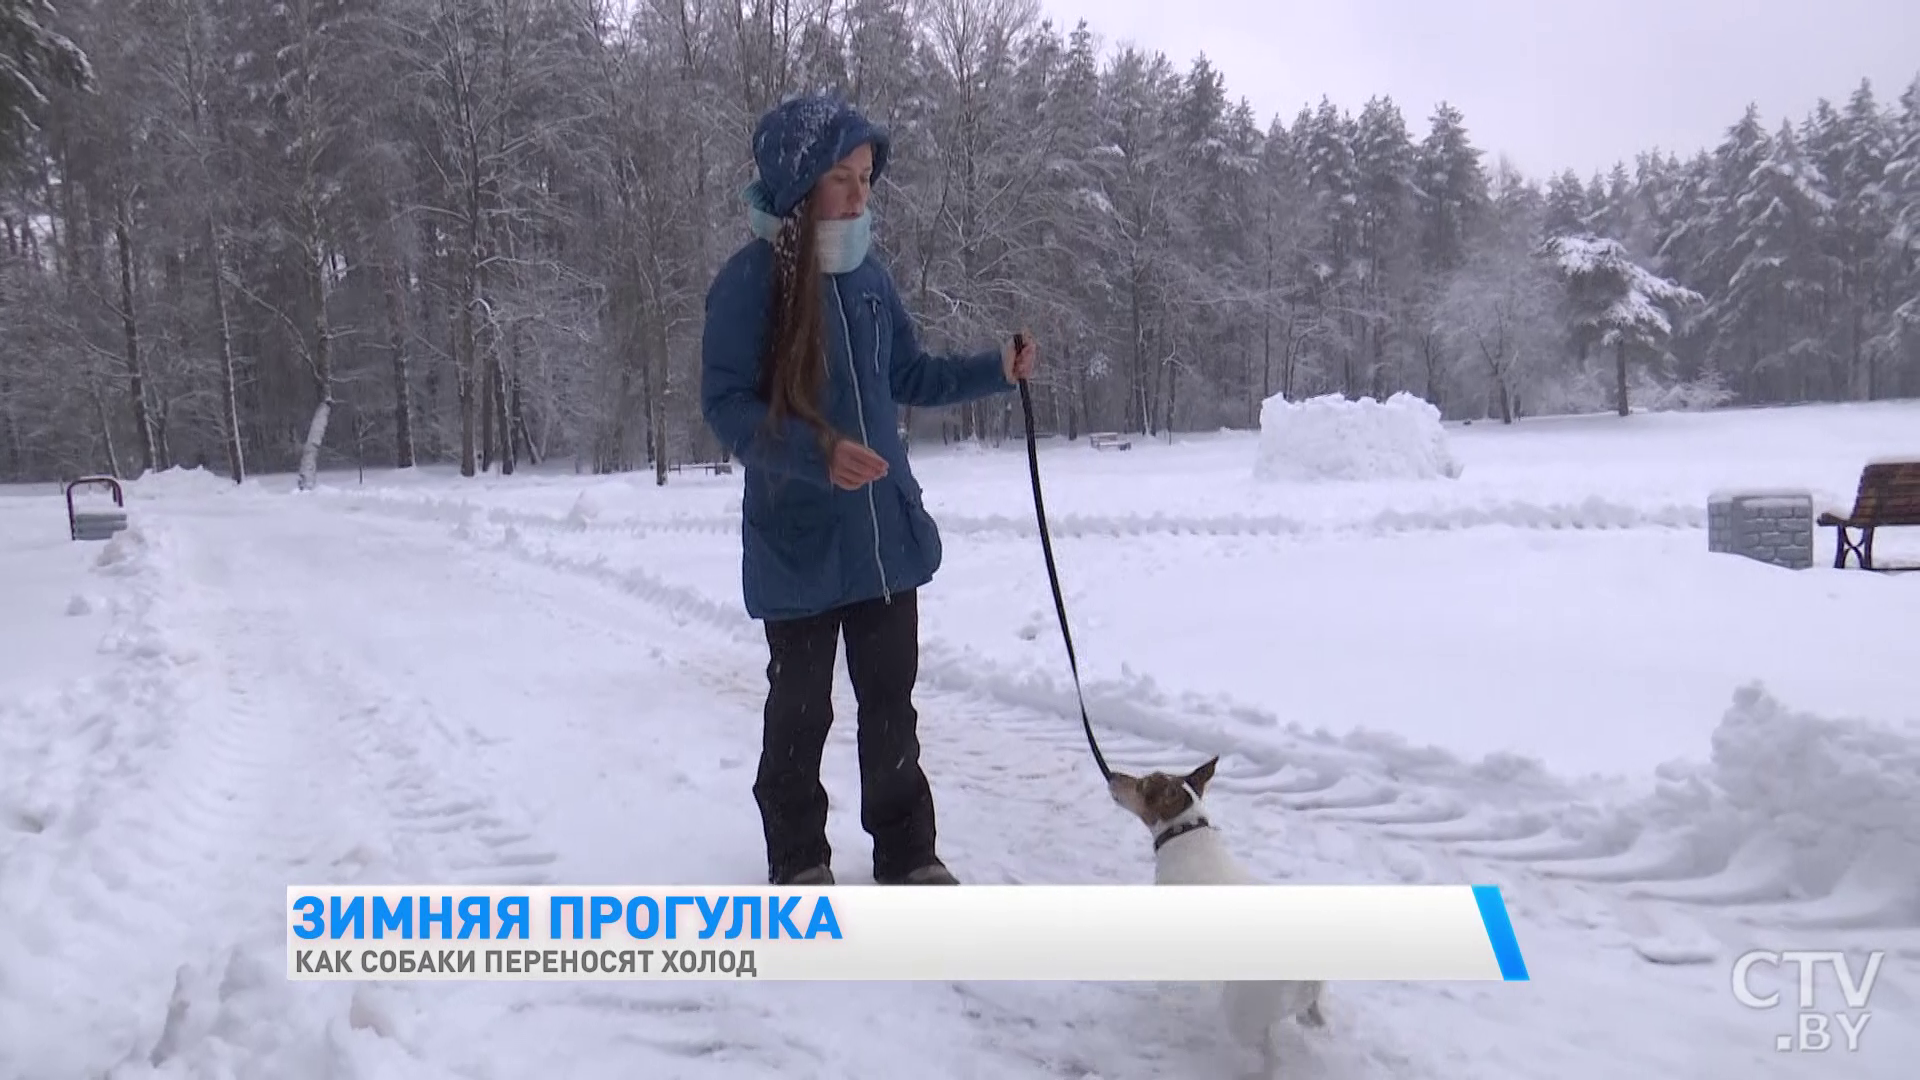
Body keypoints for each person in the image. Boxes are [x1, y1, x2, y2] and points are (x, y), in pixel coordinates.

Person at [699, 95, 1038, 887]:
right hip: (800, 544)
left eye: (864, 178)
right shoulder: (749, 282)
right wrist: (818, 452)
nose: (859, 194)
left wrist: (997, 366)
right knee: (801, 714)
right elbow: (726, 409)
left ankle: (908, 852)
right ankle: (799, 857)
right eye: (841, 178)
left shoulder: (871, 274)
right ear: (796, 183)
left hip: (884, 541)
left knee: (893, 712)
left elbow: (910, 374)